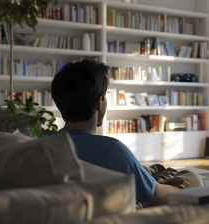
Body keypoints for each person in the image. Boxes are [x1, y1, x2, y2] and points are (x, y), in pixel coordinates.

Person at [43, 59, 182, 206]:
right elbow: (161, 198)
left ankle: (147, 176)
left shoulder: (45, 143)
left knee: (150, 171)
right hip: (123, 204)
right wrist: (180, 188)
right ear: (99, 102)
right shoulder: (112, 150)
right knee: (190, 177)